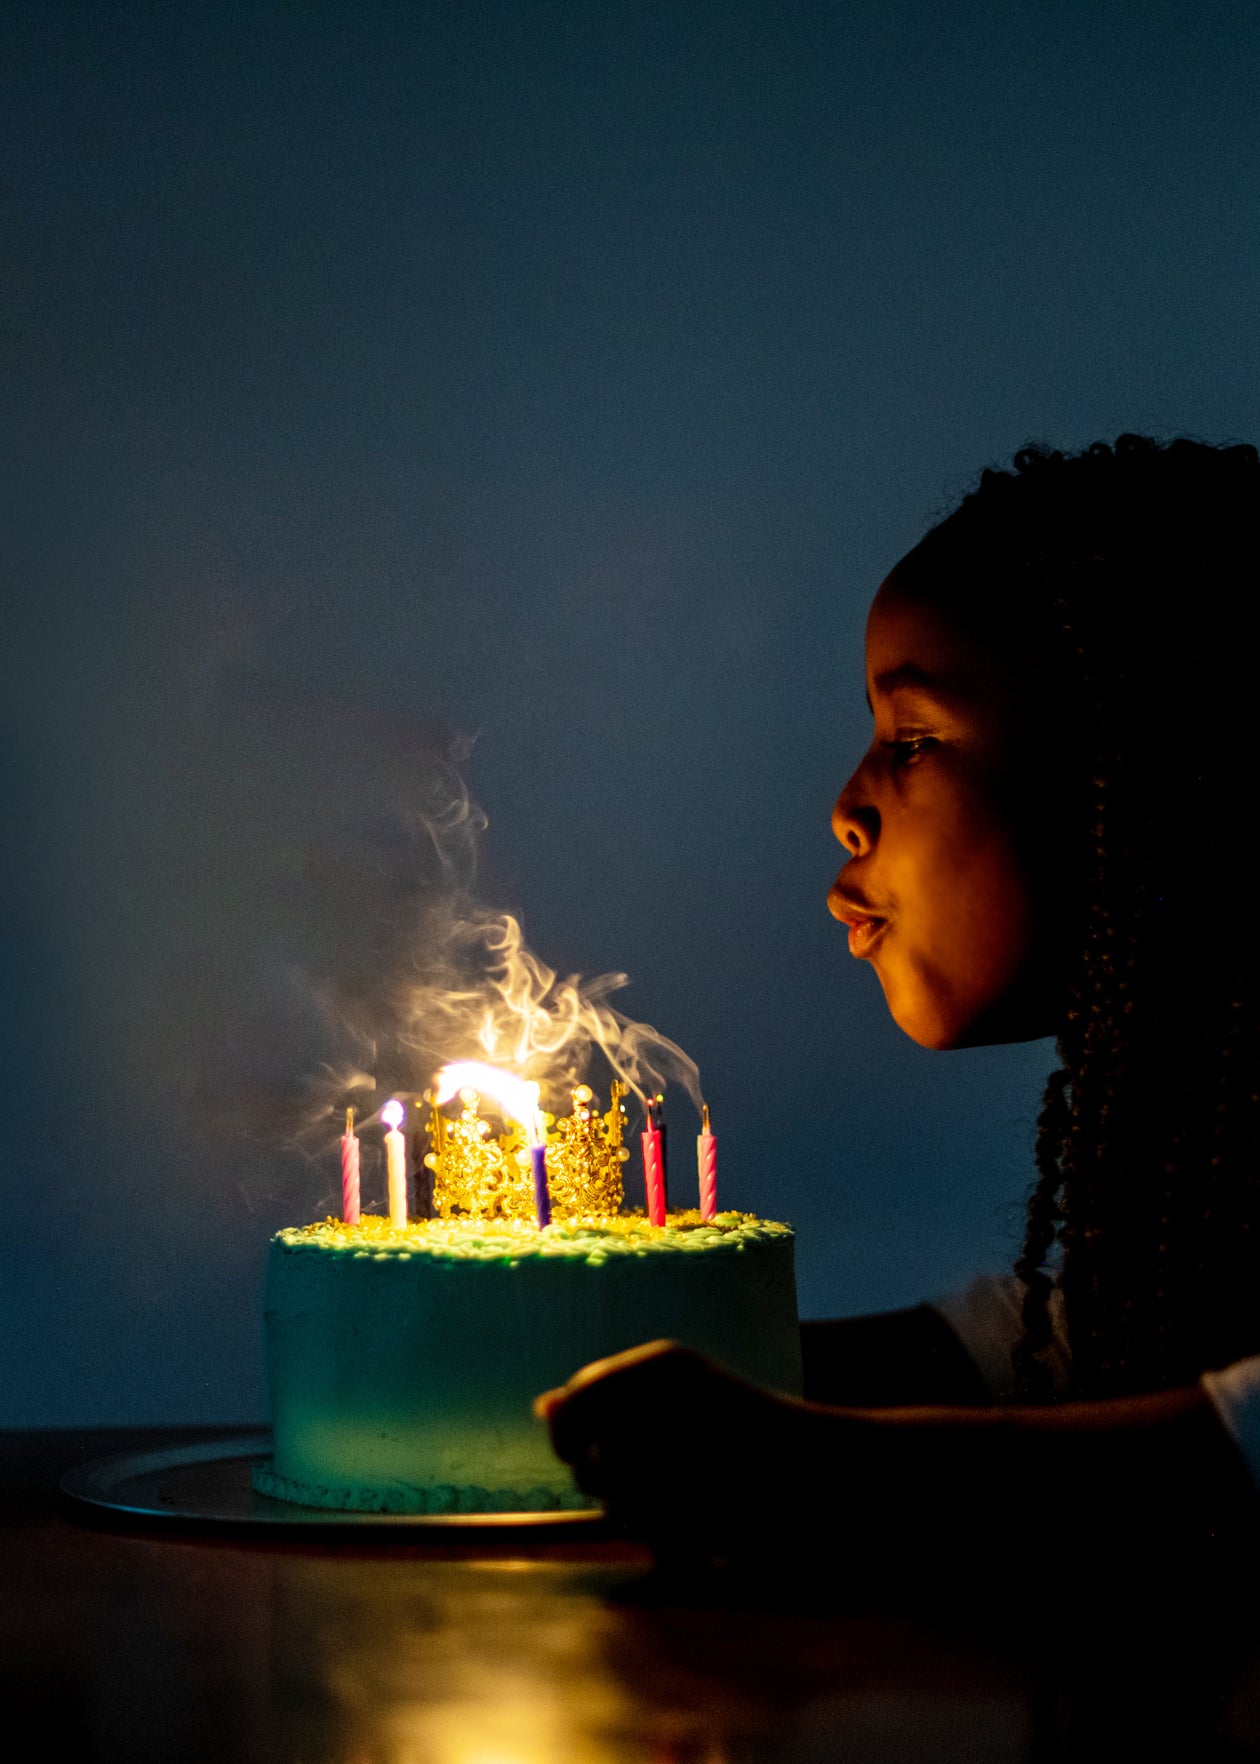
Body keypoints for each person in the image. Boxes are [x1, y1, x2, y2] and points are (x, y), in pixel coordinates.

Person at [536, 435, 1260, 1572]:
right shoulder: (1202, 1179)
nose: (846, 808)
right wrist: (671, 1363)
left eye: (914, 739)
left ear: (1155, 777)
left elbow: (1239, 1430)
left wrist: (821, 1462)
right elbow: (1101, 1342)